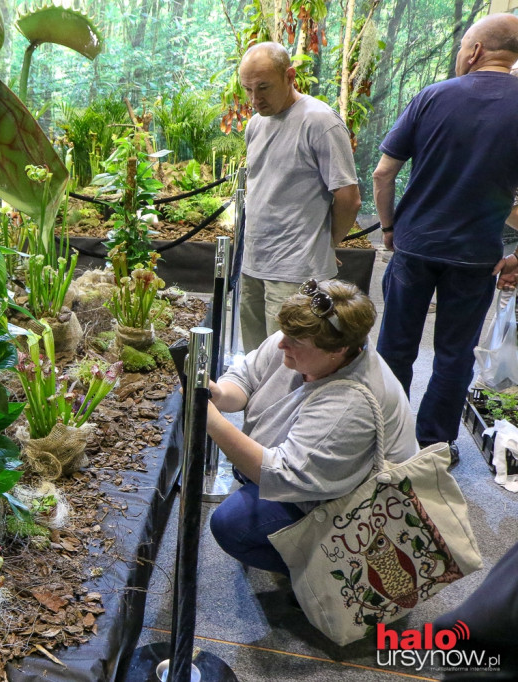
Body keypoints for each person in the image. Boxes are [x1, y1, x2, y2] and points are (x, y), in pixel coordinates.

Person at [373, 13, 518, 466]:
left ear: (474, 51)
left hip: (415, 246)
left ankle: (382, 439)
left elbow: (383, 173)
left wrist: (390, 228)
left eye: (461, 48)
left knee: (394, 345)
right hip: (477, 255)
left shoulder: (432, 96)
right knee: (454, 354)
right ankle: (436, 445)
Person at [207, 279, 418, 574]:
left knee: (233, 526)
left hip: (357, 509)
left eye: (295, 342)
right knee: (245, 468)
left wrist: (212, 420)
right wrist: (220, 395)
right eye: (286, 333)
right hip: (313, 474)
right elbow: (247, 375)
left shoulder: (350, 404)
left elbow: (281, 475)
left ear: (338, 350)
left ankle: (334, 572)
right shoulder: (304, 340)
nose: (281, 343)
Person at [237, 42, 361, 352]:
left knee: (289, 360)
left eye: (263, 87)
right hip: (254, 262)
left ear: (290, 76)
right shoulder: (256, 124)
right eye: (248, 89)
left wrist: (327, 244)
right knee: (255, 358)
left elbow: (348, 197)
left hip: (295, 269)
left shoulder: (319, 121)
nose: (255, 99)